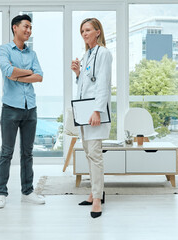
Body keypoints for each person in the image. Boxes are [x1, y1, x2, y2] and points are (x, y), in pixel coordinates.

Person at [0, 14, 45, 209]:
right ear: (15, 28)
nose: (28, 30)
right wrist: (27, 72)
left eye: (30, 28)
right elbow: (7, 70)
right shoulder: (4, 49)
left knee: (28, 152)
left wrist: (19, 75)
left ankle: (28, 191)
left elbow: (39, 77)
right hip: (11, 108)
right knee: (7, 152)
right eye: (25, 26)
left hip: (30, 108)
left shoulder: (32, 54)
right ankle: (0, 193)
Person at [71, 18, 112, 218]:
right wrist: (78, 73)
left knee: (95, 155)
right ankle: (94, 192)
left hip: (94, 113)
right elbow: (86, 84)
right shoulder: (87, 54)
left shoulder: (104, 53)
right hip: (83, 112)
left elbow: (102, 84)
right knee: (89, 154)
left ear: (97, 32)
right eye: (82, 31)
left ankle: (97, 199)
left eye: (87, 30)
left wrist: (97, 110)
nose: (84, 34)